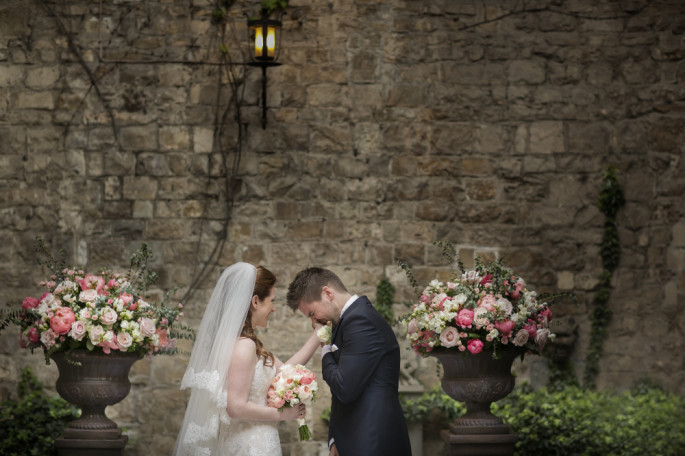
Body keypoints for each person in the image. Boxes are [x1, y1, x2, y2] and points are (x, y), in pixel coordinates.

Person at [174, 262, 322, 456]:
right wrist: (285, 414)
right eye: (272, 301)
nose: (273, 309)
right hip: (250, 446)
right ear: (255, 302)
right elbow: (236, 407)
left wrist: (318, 335)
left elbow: (285, 369)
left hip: (256, 441)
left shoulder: (240, 343)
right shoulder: (245, 346)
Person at [286, 267, 412, 456]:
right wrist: (335, 438)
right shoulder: (346, 321)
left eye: (312, 313)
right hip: (353, 438)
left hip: (372, 440)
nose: (314, 321)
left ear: (328, 293)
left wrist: (325, 347)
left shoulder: (360, 320)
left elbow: (344, 387)